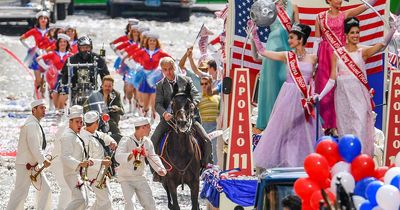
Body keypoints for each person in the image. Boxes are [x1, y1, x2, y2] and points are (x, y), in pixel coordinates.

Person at [317, 17, 396, 155]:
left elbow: (382, 44)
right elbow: (332, 80)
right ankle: (348, 161)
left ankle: (362, 159)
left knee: (360, 128)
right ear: (346, 35)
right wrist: (320, 95)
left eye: (357, 32)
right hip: (342, 98)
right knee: (346, 130)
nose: (355, 35)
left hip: (359, 97)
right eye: (352, 32)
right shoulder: (337, 54)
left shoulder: (362, 51)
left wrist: (393, 29)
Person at [250, 22, 319, 169]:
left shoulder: (313, 58)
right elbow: (262, 52)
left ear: (300, 39)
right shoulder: (287, 56)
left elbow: (314, 79)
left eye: (292, 38)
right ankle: (287, 161)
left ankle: (303, 162)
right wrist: (254, 35)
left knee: (304, 131)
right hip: (288, 96)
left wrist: (313, 94)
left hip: (304, 99)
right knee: (285, 130)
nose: (289, 41)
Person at [313, 0, 378, 135]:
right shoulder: (319, 17)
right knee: (326, 92)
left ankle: (340, 126)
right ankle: (327, 127)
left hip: (342, 56)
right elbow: (317, 40)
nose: (340, 1)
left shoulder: (345, 14)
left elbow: (364, 7)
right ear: (329, 1)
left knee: (342, 91)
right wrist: (314, 60)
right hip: (325, 57)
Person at [152, 57, 213, 172]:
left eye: (170, 69)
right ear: (162, 70)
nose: (168, 72)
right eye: (165, 70)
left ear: (174, 68)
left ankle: (207, 164)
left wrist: (193, 104)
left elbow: (196, 94)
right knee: (153, 140)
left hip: (188, 117)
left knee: (206, 140)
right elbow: (158, 104)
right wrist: (164, 113)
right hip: (169, 120)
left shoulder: (186, 80)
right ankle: (156, 169)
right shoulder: (160, 85)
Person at [250, 0, 299, 134]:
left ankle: (287, 122)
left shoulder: (294, 7)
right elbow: (256, 21)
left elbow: (299, 31)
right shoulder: (268, 6)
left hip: (289, 48)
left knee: (288, 85)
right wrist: (253, 34)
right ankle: (266, 123)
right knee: (270, 87)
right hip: (272, 48)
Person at [6, 99, 52, 210]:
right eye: (41, 108)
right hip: (25, 165)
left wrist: (41, 160)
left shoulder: (34, 123)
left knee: (46, 189)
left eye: (44, 108)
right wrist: (44, 160)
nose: (44, 110)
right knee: (20, 193)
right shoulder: (32, 125)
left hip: (33, 165)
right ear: (33, 110)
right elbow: (34, 147)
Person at [115, 117, 167, 210]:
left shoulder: (147, 142)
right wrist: (132, 153)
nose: (150, 129)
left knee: (150, 205)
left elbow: (153, 156)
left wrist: (160, 169)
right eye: (148, 127)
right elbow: (117, 156)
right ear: (142, 127)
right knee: (130, 205)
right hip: (126, 178)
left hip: (140, 177)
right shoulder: (126, 140)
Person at [80, 111, 117, 210]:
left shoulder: (93, 132)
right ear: (96, 123)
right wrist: (102, 162)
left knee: (104, 200)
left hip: (100, 171)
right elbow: (86, 159)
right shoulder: (84, 138)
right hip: (92, 173)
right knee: (106, 201)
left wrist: (111, 141)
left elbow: (103, 136)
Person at [60, 35, 110, 106]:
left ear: (91, 47)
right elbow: (64, 75)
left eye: (87, 47)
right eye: (82, 48)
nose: (85, 50)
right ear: (79, 48)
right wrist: (63, 88)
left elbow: (105, 75)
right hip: (75, 90)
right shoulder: (71, 59)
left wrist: (105, 88)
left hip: (93, 89)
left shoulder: (98, 59)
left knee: (107, 105)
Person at [132, 32, 171, 119]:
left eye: (154, 41)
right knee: (145, 104)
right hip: (145, 78)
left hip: (155, 77)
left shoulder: (160, 52)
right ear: (147, 42)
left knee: (154, 101)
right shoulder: (143, 51)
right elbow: (133, 57)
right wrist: (139, 65)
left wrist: (163, 68)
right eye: (150, 41)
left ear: (156, 42)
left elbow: (170, 58)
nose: (152, 42)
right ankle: (145, 115)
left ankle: (153, 118)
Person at [60, 105, 91, 210]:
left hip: (79, 173)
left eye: (81, 122)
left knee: (85, 201)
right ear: (70, 122)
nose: (80, 125)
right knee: (80, 199)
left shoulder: (75, 135)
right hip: (71, 173)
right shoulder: (67, 136)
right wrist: (80, 163)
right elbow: (64, 157)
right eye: (77, 122)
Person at [37, 33, 73, 113]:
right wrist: (47, 68)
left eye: (64, 42)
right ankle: (58, 123)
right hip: (55, 80)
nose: (63, 43)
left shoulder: (71, 55)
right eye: (61, 42)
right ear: (58, 43)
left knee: (61, 103)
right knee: (57, 106)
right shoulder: (53, 54)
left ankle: (64, 120)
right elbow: (39, 59)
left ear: (67, 44)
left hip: (67, 80)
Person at [20, 11, 52, 99]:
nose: (43, 20)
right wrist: (30, 48)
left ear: (48, 20)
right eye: (41, 18)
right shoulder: (34, 31)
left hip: (47, 56)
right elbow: (22, 38)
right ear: (38, 20)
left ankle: (42, 97)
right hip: (37, 56)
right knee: (38, 79)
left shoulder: (51, 31)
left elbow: (56, 42)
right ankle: (36, 95)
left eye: (45, 18)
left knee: (44, 79)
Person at [198, 75, 220, 164]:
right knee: (203, 152)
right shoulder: (198, 98)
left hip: (216, 127)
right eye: (202, 84)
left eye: (206, 83)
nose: (203, 85)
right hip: (203, 128)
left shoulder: (218, 98)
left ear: (210, 84)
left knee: (215, 151)